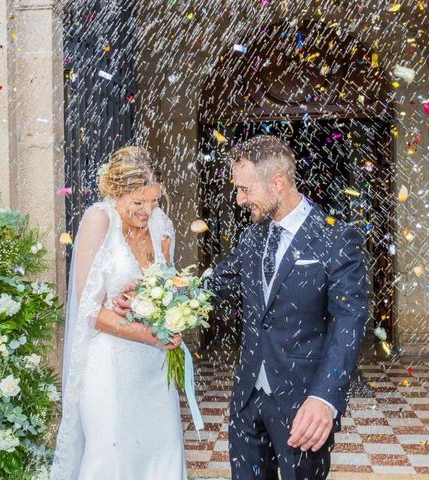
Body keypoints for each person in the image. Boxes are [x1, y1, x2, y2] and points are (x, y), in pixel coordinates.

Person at [211, 135, 368, 479]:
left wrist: (324, 398)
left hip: (303, 406)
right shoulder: (252, 236)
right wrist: (158, 298)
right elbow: (217, 285)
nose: (239, 199)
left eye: (245, 189)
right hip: (247, 401)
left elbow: (349, 322)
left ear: (277, 183)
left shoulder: (336, 238)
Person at [51, 146, 186, 480]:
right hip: (109, 366)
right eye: (138, 203)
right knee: (114, 456)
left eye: (153, 201)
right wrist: (147, 333)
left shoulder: (162, 225)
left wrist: (175, 313)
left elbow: (173, 286)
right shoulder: (99, 220)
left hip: (154, 369)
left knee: (161, 453)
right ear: (116, 190)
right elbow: (88, 311)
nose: (147, 211)